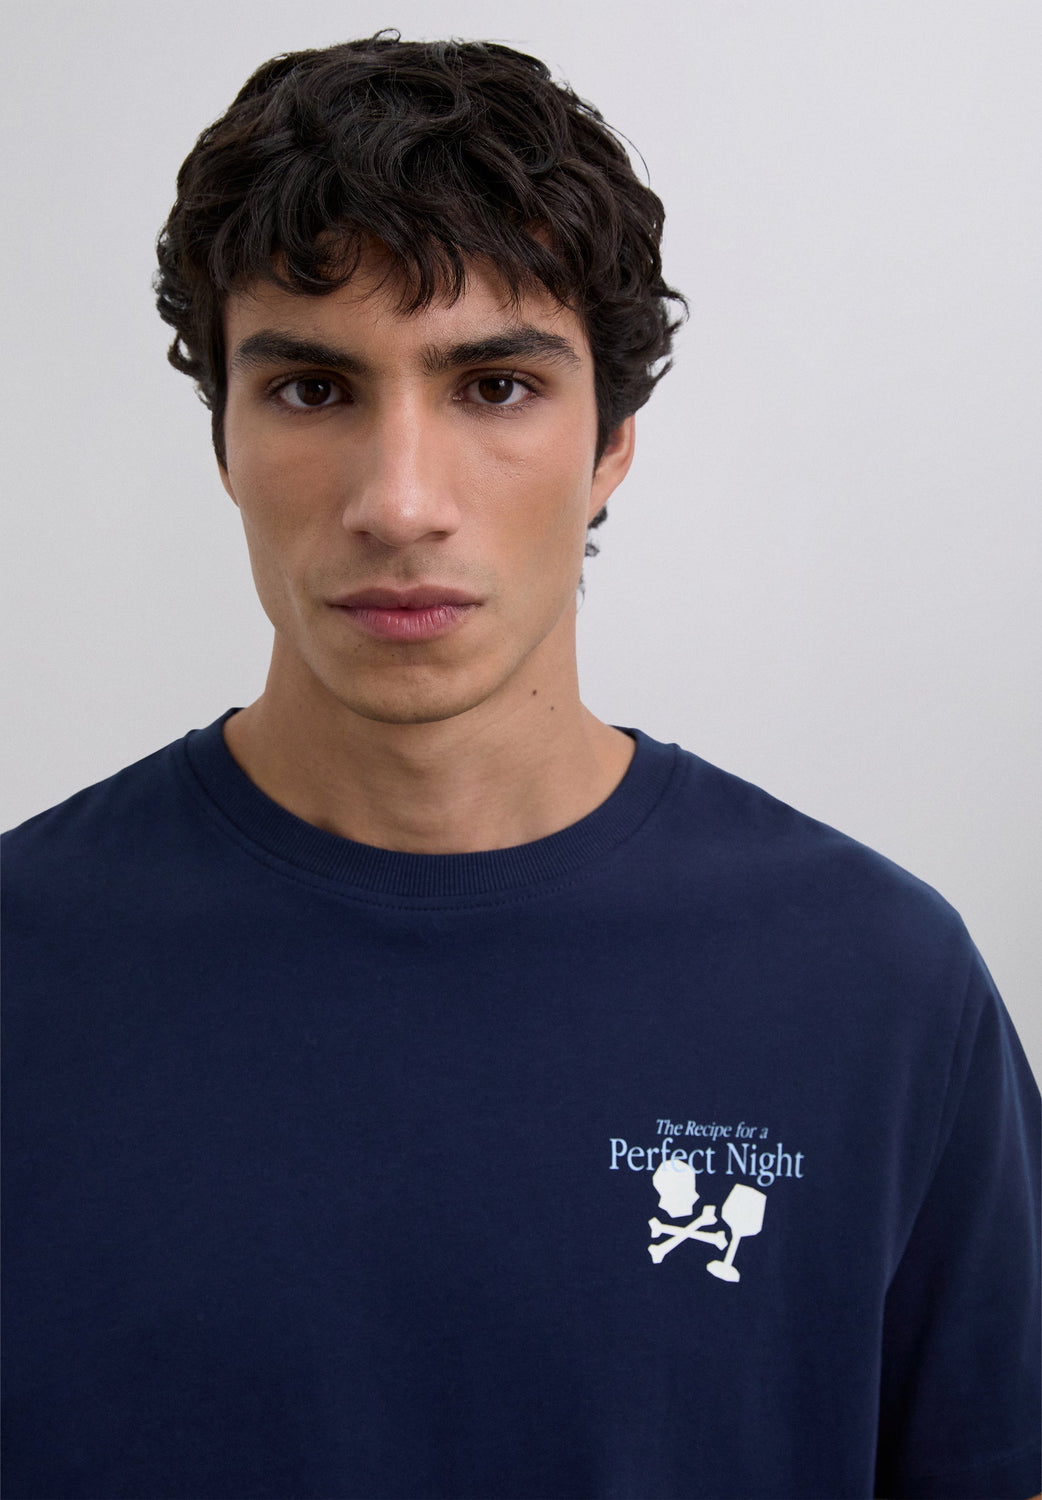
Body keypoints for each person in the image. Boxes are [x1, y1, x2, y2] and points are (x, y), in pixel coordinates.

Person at [2, 32, 1038, 1500]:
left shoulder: (879, 987)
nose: (399, 501)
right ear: (222, 435)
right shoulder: (21, 969)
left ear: (611, 441)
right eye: (312, 389)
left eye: (492, 386)